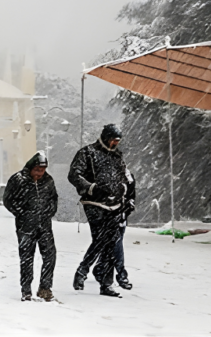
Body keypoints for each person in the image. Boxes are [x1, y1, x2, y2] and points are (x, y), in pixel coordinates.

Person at [69, 124, 128, 298]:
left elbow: (124, 176)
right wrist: (92, 188)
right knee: (102, 238)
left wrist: (123, 192)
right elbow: (74, 175)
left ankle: (103, 282)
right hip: (94, 202)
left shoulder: (118, 156)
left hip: (115, 203)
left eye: (117, 141)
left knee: (110, 242)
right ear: (104, 137)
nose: (114, 143)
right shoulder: (86, 153)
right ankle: (86, 272)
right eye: (112, 140)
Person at [3, 151, 59, 302]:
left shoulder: (48, 181)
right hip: (25, 226)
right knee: (27, 258)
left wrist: (49, 212)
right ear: (31, 168)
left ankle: (45, 288)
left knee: (50, 256)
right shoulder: (18, 180)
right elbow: (8, 200)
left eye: (43, 170)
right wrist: (22, 213)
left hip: (45, 225)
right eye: (37, 170)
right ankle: (26, 290)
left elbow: (54, 199)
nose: (40, 173)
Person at [114, 168, 137, 290]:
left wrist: (128, 206)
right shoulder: (106, 175)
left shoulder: (129, 177)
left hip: (121, 216)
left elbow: (131, 195)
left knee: (116, 243)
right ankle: (120, 273)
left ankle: (102, 269)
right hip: (109, 215)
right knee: (112, 243)